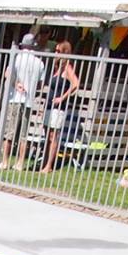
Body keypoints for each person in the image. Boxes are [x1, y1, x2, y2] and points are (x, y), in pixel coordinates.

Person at [1, 32, 45, 172]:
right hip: (29, 100)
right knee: (23, 135)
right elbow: (40, 85)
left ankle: (5, 161)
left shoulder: (17, 58)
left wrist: (16, 84)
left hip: (15, 98)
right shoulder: (40, 63)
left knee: (9, 132)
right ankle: (20, 163)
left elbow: (7, 74)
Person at [40, 40, 83, 173]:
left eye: (58, 51)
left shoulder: (67, 67)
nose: (55, 53)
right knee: (47, 134)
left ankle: (49, 165)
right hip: (49, 105)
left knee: (54, 136)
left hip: (58, 108)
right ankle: (44, 163)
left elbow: (76, 83)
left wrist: (62, 97)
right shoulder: (56, 68)